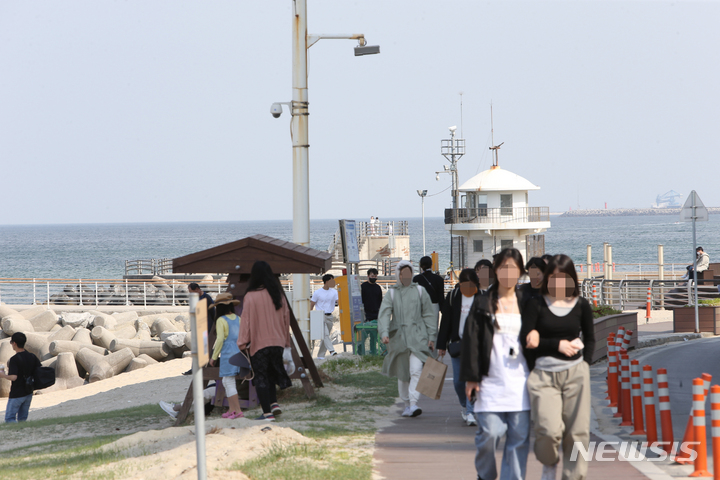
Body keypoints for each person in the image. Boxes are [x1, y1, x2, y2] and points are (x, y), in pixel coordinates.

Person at [522, 254, 595, 480]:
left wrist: (584, 365)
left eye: (563, 277)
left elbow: (590, 339)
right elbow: (526, 340)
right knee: (548, 430)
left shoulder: (581, 305)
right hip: (544, 375)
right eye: (553, 277)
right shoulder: (536, 304)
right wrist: (556, 345)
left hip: (576, 374)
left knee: (578, 433)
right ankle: (549, 462)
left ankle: (574, 476)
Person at [462, 248, 532, 480]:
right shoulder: (482, 302)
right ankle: (485, 475)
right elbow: (471, 340)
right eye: (503, 267)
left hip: (521, 384)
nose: (508, 272)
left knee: (518, 441)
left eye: (512, 267)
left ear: (521, 271)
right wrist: (471, 377)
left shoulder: (529, 302)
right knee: (490, 434)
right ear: (496, 271)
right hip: (489, 382)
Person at [378, 260, 436, 418]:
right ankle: (406, 403)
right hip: (399, 338)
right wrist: (384, 332)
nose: (407, 277)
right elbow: (384, 314)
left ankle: (413, 403)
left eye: (410, 273)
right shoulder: (391, 293)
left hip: (418, 337)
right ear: (399, 275)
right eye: (404, 274)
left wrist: (432, 336)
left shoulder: (420, 291)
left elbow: (429, 315)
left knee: (416, 370)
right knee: (403, 373)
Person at [238, 261, 292, 422]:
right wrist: (286, 341)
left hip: (259, 344)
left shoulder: (250, 296)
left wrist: (242, 342)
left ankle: (267, 413)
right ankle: (274, 404)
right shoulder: (278, 294)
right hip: (278, 342)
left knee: (261, 377)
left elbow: (246, 321)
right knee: (272, 373)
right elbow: (286, 319)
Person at [436, 268, 480, 427]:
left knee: (471, 379)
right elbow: (446, 321)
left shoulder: (481, 297)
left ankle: (470, 411)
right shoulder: (453, 296)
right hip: (456, 344)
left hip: (475, 346)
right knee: (458, 382)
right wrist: (441, 344)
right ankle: (464, 404)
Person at [208, 292, 244, 419]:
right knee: (227, 381)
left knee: (228, 382)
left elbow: (220, 339)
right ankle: (232, 409)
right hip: (238, 354)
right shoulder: (238, 318)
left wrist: (213, 357)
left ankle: (237, 410)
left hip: (227, 355)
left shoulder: (221, 320)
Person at [0, 332, 41, 423]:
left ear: (14, 343)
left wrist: (3, 375)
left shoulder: (14, 359)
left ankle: (15, 436)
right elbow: (39, 369)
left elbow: (14, 377)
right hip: (29, 391)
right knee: (22, 419)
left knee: (10, 419)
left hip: (17, 393)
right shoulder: (32, 356)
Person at [183, 282, 216, 375]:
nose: (190, 294)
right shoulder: (195, 298)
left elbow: (213, 312)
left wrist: (214, 326)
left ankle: (203, 367)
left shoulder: (207, 298)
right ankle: (195, 368)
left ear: (197, 289)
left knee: (205, 348)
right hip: (199, 326)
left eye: (191, 291)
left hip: (207, 327)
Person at [310, 274, 339, 359]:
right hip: (319, 315)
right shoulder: (317, 292)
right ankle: (332, 351)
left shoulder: (334, 292)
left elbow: (339, 301)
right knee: (325, 334)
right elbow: (312, 304)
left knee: (325, 337)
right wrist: (310, 316)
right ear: (326, 281)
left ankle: (320, 355)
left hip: (330, 316)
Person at [414, 256, 446, 324]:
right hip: (434, 307)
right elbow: (441, 297)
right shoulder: (439, 279)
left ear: (420, 266)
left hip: (420, 307)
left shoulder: (416, 279)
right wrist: (443, 310)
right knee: (433, 330)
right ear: (431, 265)